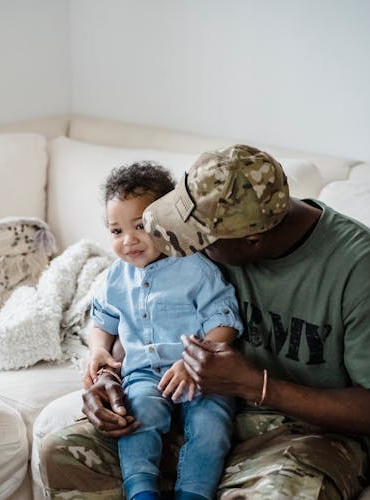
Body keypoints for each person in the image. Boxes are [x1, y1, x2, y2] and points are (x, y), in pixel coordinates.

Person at [39, 144, 370, 499]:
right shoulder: (218, 234)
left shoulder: (365, 271)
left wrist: (253, 384)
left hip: (310, 436)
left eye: (195, 239)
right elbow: (145, 316)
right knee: (63, 452)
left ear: (252, 240)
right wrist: (109, 376)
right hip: (200, 412)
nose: (177, 245)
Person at [85, 161, 243, 500]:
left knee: (211, 428)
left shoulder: (196, 267)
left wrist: (193, 361)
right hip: (143, 374)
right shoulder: (115, 277)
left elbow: (225, 321)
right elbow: (102, 320)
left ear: (167, 221)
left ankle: (194, 492)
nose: (128, 241)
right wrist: (98, 349)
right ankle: (141, 491)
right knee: (136, 417)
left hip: (202, 375)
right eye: (116, 231)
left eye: (140, 226)